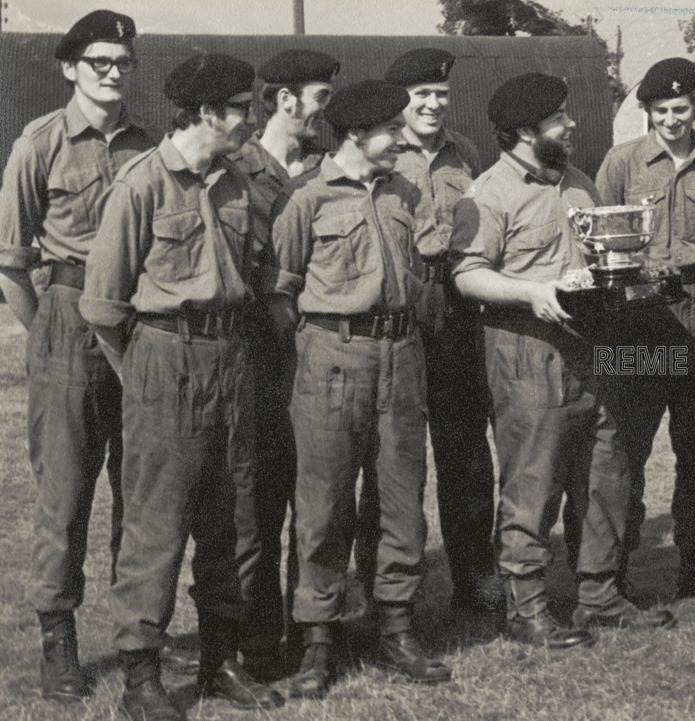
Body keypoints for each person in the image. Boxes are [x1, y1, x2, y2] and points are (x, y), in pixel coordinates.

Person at [81, 52, 283, 721]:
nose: (253, 119)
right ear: (205, 114)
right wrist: (144, 380)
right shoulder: (142, 184)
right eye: (241, 109)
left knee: (231, 521)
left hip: (231, 356)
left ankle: (219, 660)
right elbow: (105, 308)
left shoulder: (236, 184)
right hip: (165, 359)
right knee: (156, 526)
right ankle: (141, 673)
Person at [451, 72, 675, 650]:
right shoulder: (488, 193)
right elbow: (467, 273)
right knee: (534, 479)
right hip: (527, 352)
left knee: (606, 471)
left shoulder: (578, 183)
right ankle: (525, 607)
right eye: (559, 119)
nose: (571, 125)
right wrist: (531, 291)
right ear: (526, 131)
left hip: (595, 349)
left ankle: (598, 596)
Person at [263, 79, 452, 699]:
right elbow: (280, 292)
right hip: (330, 357)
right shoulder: (307, 199)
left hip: (401, 355)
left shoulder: (405, 190)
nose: (403, 138)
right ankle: (316, 639)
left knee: (402, 497)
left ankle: (395, 624)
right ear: (355, 135)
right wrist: (319, 352)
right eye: (392, 131)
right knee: (322, 505)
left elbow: (428, 266)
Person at [0, 9, 151, 703]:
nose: (113, 73)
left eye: (122, 62)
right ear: (70, 68)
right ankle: (57, 636)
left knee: (140, 488)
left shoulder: (149, 146)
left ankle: (136, 638)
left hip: (139, 324)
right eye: (99, 62)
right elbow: (10, 262)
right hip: (66, 315)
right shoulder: (41, 143)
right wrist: (47, 336)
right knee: (64, 494)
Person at [590, 57, 695, 600]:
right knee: (626, 446)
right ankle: (615, 566)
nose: (672, 120)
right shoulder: (622, 162)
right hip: (639, 326)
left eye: (680, 109)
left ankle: (694, 560)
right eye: (660, 111)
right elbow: (599, 242)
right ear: (646, 113)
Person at [228, 47, 338, 681]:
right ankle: (259, 635)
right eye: (319, 98)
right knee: (259, 503)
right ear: (284, 99)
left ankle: (314, 632)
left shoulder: (329, 170)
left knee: (320, 499)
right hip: (260, 361)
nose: (324, 112)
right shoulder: (237, 167)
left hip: (321, 358)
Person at [382, 47, 501, 614]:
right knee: (390, 456)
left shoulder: (466, 153)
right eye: (422, 95)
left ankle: (474, 574)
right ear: (401, 99)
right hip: (400, 308)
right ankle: (383, 589)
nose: (433, 105)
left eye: (441, 95)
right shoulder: (381, 151)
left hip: (454, 308)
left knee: (466, 452)